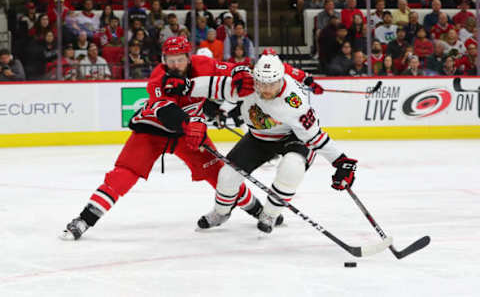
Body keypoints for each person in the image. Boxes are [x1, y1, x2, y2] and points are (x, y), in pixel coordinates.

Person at [60, 38, 322, 240]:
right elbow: (166, 110)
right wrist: (189, 123)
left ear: (188, 57)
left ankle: (256, 211)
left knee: (221, 174)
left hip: (190, 135)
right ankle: (85, 219)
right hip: (152, 132)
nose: (175, 65)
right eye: (170, 60)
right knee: (124, 172)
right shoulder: (158, 79)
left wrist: (249, 74)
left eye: (180, 59)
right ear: (163, 60)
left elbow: (242, 70)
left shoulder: (204, 65)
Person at [179, 52, 356, 233]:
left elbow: (315, 137)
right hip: (259, 136)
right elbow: (216, 86)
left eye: (272, 84)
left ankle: (270, 214)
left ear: (281, 79)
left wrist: (341, 161)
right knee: (226, 176)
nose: (266, 89)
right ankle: (221, 212)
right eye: (261, 83)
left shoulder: (294, 102)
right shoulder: (248, 84)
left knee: (292, 169)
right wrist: (186, 86)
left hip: (293, 138)